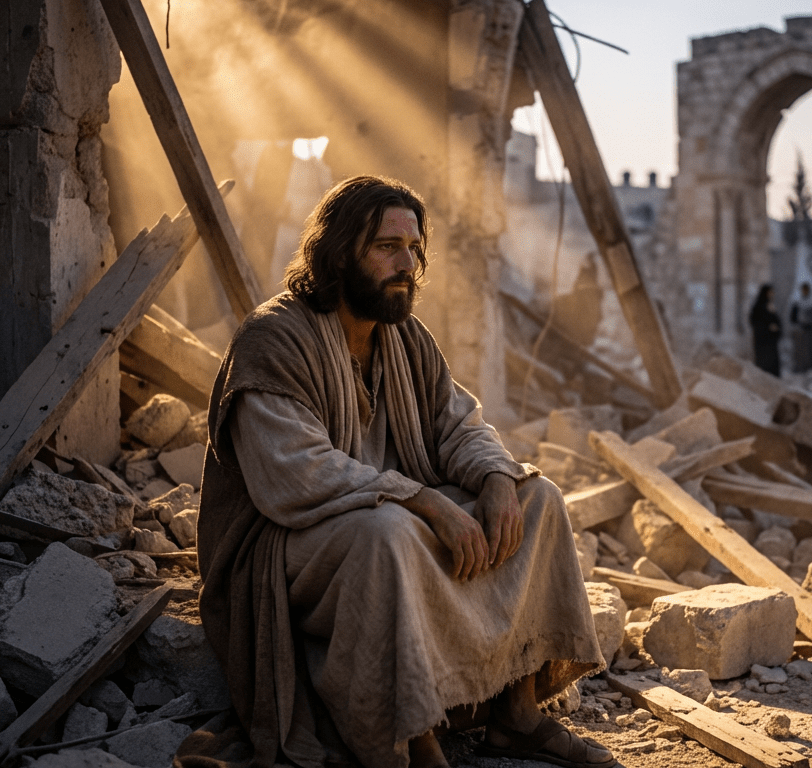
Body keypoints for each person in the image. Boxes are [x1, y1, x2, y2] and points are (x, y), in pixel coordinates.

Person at [195, 176, 613, 768]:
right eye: (387, 248)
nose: (407, 265)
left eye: (414, 249)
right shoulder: (273, 339)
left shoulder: (405, 337)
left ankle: (516, 716)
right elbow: (297, 475)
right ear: (339, 253)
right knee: (387, 534)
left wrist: (497, 478)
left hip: (393, 517)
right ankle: (412, 742)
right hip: (287, 540)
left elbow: (458, 423)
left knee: (537, 497)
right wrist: (425, 501)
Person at [749, 283, 781, 376]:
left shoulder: (770, 306)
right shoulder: (758, 306)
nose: (772, 294)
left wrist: (776, 328)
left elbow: (776, 320)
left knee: (772, 367)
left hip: (771, 342)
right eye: (770, 292)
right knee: (764, 367)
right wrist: (768, 327)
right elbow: (754, 321)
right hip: (762, 343)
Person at [789, 282, 812, 372]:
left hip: (808, 332)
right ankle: (798, 369)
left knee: (809, 352)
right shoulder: (797, 303)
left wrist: (809, 323)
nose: (805, 291)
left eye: (806, 290)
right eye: (803, 290)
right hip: (799, 332)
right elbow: (792, 318)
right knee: (799, 353)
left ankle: (810, 369)